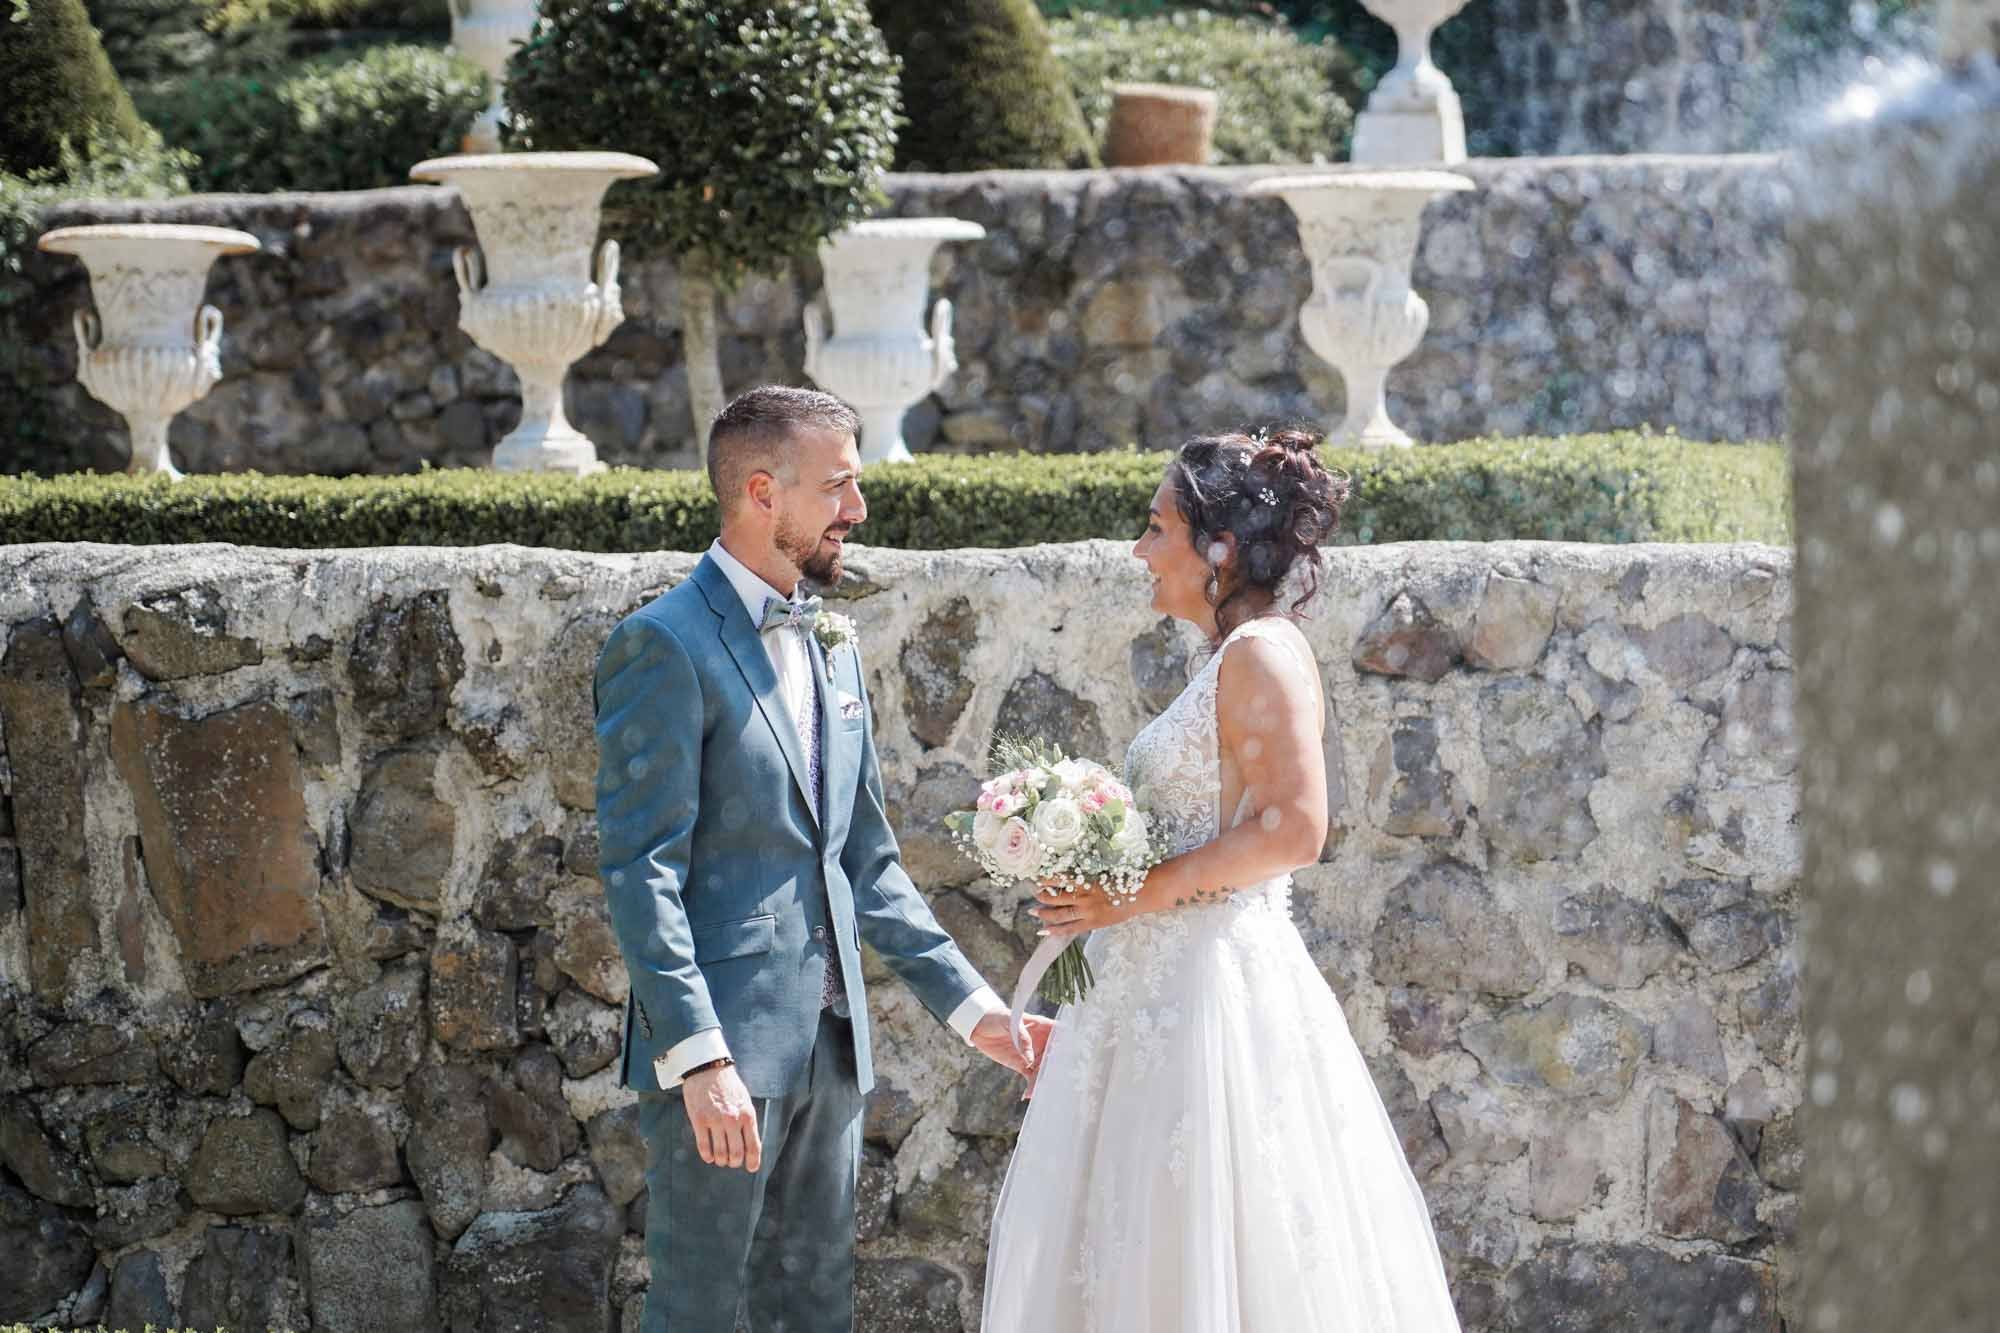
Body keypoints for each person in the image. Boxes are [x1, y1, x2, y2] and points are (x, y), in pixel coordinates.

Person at [982, 427, 1464, 1333]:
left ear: (1221, 548)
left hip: (1212, 999)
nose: (1138, 548)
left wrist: (1132, 892)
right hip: (1154, 990)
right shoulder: (1223, 657)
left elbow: (1294, 826)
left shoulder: (1262, 655)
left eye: (1156, 526)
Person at [592, 384, 1053, 1333]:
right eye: (839, 484)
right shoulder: (662, 646)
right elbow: (643, 868)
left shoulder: (833, 643)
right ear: (764, 491)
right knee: (700, 1312)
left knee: (812, 1311)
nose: (859, 509)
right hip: (721, 1059)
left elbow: (868, 863)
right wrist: (699, 1056)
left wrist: (981, 1017)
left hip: (831, 1050)